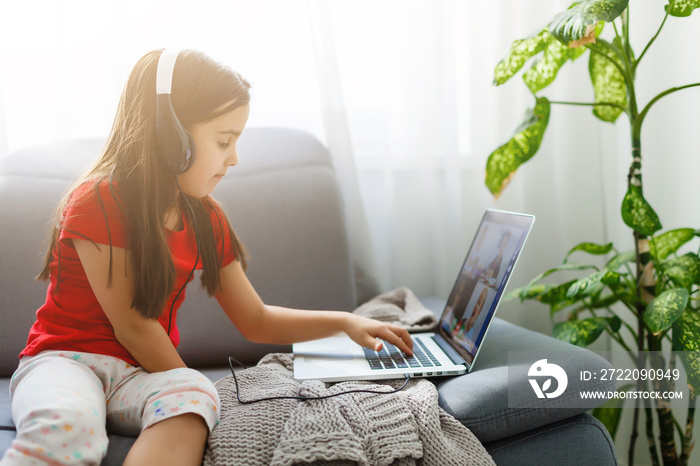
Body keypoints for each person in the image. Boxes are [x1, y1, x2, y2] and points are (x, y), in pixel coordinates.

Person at [1, 49, 412, 466]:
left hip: (136, 377)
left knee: (194, 395)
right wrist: (181, 376)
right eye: (223, 141)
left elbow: (255, 318)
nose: (234, 158)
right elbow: (133, 326)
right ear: (169, 136)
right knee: (68, 422)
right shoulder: (98, 201)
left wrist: (345, 321)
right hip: (65, 363)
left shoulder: (206, 217)